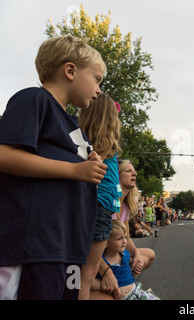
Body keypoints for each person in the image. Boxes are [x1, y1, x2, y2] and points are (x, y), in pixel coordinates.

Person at [0, 35, 108, 300]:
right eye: (96, 79)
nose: (98, 90)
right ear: (70, 70)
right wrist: (73, 170)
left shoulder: (72, 125)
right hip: (34, 247)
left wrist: (89, 162)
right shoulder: (34, 99)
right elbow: (4, 154)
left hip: (65, 245)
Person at [77, 93, 122, 300]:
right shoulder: (107, 144)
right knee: (86, 274)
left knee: (80, 271)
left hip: (86, 204)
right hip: (100, 206)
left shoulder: (81, 140)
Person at [92, 160, 155, 300]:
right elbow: (90, 247)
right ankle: (114, 285)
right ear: (117, 175)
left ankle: (125, 284)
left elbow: (126, 236)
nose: (135, 173)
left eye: (134, 170)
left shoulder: (125, 206)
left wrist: (136, 254)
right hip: (98, 258)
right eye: (128, 171)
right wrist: (106, 272)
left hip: (115, 254)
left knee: (148, 255)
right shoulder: (106, 203)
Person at [91, 220, 160, 300]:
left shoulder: (124, 254)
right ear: (105, 243)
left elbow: (131, 262)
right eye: (119, 239)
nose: (124, 241)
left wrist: (137, 266)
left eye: (125, 237)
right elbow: (90, 283)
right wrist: (103, 285)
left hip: (135, 292)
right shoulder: (102, 261)